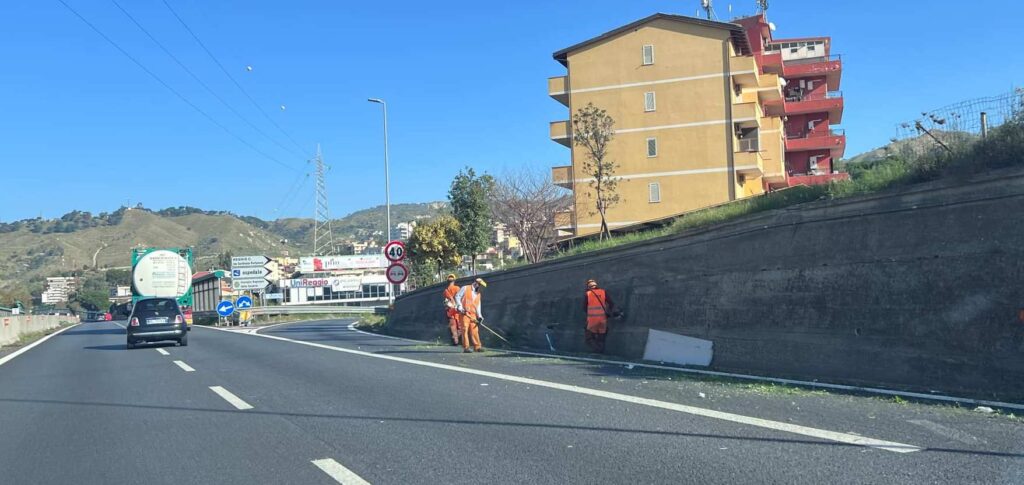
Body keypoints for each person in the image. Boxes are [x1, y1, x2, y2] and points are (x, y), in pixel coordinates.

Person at [583, 279, 617, 353]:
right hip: (602, 319)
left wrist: (589, 314)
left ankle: (597, 350)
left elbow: (584, 308)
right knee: (601, 337)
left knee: (589, 338)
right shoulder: (603, 292)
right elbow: (611, 303)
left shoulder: (588, 294)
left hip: (592, 320)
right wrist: (608, 312)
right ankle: (601, 352)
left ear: (589, 287)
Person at [455, 278, 487, 353]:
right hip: (464, 313)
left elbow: (478, 305)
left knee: (474, 330)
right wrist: (459, 306)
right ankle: (466, 347)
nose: (482, 289)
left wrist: (479, 316)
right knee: (465, 329)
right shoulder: (465, 288)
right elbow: (457, 296)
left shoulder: (478, 294)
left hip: (473, 314)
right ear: (476, 284)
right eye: (481, 286)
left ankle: (477, 347)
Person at [442, 274, 461, 346]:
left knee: (453, 326)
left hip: (450, 310)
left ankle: (455, 340)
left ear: (447, 281)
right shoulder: (457, 288)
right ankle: (457, 339)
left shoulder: (445, 291)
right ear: (454, 281)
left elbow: (445, 301)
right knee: (460, 326)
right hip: (457, 310)